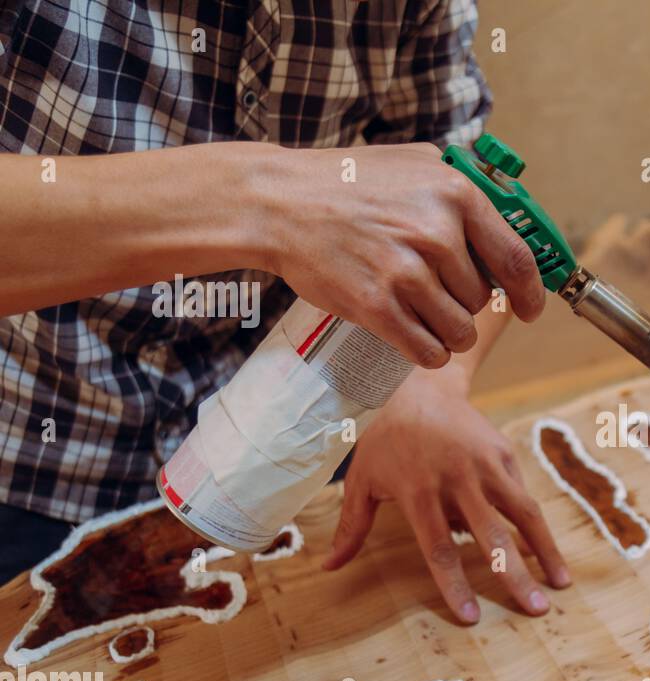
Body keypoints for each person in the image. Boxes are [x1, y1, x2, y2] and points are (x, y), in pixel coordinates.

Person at [0, 0, 571, 621]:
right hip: (34, 462)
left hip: (285, 451)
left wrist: (429, 388)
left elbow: (467, 211)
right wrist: (265, 203)